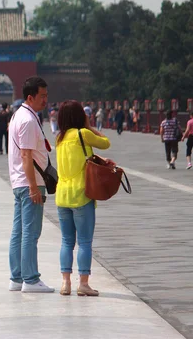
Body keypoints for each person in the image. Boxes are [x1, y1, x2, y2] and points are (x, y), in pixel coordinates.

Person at [55, 100, 111, 297]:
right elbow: (106, 143)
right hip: (81, 196)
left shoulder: (59, 139)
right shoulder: (83, 134)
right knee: (85, 242)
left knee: (66, 241)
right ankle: (84, 283)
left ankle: (65, 283)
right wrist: (89, 127)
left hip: (62, 196)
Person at [8, 76, 55, 293]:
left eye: (46, 95)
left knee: (19, 232)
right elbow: (26, 156)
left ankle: (17, 278)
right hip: (30, 183)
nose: (46, 100)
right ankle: (31, 279)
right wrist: (34, 188)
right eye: (42, 96)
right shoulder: (27, 120)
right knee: (30, 232)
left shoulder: (20, 115)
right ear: (30, 97)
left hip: (20, 182)